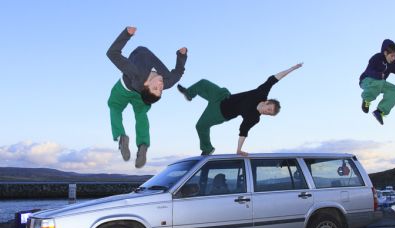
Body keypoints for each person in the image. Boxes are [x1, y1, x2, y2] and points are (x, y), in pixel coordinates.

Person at [177, 63, 302, 155]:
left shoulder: (254, 118)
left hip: (219, 113)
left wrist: (238, 149)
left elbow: (243, 131)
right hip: (222, 96)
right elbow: (273, 79)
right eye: (269, 109)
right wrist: (291, 69)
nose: (266, 112)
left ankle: (207, 149)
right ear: (267, 102)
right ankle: (189, 93)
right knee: (203, 83)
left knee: (200, 126)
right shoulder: (261, 93)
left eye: (269, 114)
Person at [106, 26, 188, 168]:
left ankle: (121, 137)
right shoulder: (167, 81)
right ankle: (143, 143)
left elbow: (112, 53)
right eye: (160, 90)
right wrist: (181, 56)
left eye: (156, 88)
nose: (161, 86)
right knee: (141, 114)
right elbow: (179, 73)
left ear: (147, 83)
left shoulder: (135, 72)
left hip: (124, 89)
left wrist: (126, 34)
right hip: (139, 93)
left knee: (115, 106)